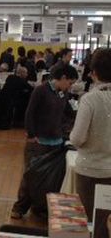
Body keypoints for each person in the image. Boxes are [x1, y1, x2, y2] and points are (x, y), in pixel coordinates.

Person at [11, 64, 79, 220]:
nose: (71, 86)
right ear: (62, 78)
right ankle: (19, 207)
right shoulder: (41, 90)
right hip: (39, 142)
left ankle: (40, 208)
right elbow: (30, 113)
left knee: (49, 179)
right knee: (31, 175)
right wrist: (32, 134)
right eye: (70, 82)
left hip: (56, 142)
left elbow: (68, 112)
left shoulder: (63, 93)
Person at [70, 49, 111, 221]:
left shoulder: (89, 99)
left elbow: (78, 138)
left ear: (93, 73)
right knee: (104, 220)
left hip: (89, 169)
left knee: (88, 221)